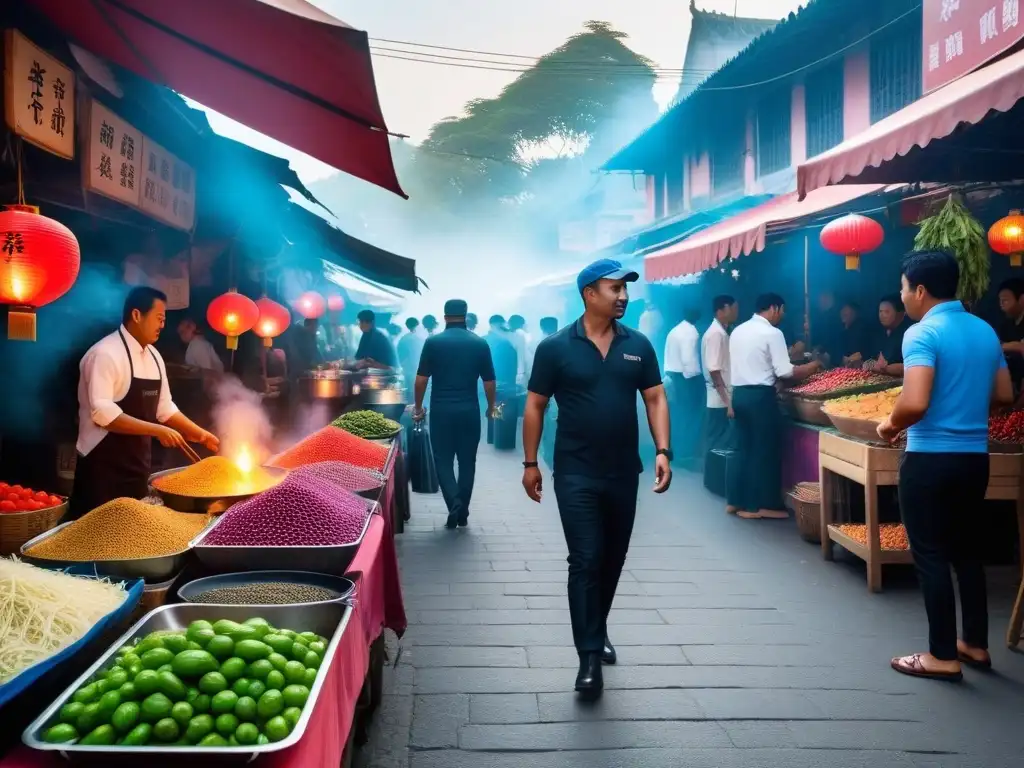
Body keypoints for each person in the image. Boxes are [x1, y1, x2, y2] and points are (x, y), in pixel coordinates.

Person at [522, 258, 671, 699]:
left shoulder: (639, 345)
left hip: (625, 469)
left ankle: (598, 626)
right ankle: (588, 657)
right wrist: (530, 463)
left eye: (625, 289)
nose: (623, 296)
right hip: (574, 470)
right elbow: (535, 406)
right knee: (586, 558)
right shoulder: (554, 347)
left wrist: (663, 450)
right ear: (589, 293)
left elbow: (656, 398)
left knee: (612, 558)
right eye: (614, 288)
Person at [878, 250, 1013, 682]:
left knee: (931, 555)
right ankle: (974, 644)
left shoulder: (922, 333)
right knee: (966, 552)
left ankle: (941, 654)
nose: (901, 297)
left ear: (920, 290)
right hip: (975, 458)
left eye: (902, 289)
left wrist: (889, 424)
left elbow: (914, 402)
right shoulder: (986, 331)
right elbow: (1005, 395)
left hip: (929, 460)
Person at [72, 287, 220, 519]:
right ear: (137, 315)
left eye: (164, 320)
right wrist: (157, 430)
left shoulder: (153, 356)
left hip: (137, 464)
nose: (163, 325)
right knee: (96, 536)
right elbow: (102, 414)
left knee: (130, 534)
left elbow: (164, 408)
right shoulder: (104, 354)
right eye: (159, 318)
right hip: (102, 466)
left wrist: (200, 434)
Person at [727, 293, 820, 520]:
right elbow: (785, 371)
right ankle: (759, 506)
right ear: (775, 308)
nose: (783, 316)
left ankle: (735, 501)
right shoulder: (772, 332)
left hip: (739, 395)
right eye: (783, 311)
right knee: (764, 451)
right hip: (760, 398)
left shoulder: (738, 330)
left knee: (743, 449)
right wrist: (812, 366)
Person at [412, 300, 497, 529]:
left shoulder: (433, 342)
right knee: (468, 461)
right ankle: (463, 511)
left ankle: (454, 504)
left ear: (445, 315)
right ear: (465, 315)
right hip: (469, 410)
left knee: (443, 460)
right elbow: (489, 382)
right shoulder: (480, 343)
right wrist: (491, 408)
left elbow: (421, 380)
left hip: (441, 411)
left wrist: (418, 408)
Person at [663, 307, 703, 470]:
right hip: (685, 379)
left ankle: (674, 451)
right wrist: (697, 379)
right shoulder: (691, 332)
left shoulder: (675, 330)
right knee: (688, 416)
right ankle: (685, 454)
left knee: (676, 415)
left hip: (672, 376)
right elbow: (689, 361)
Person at [702, 295, 738, 453]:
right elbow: (714, 371)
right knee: (717, 444)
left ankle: (715, 476)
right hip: (719, 400)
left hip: (721, 397)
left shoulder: (721, 332)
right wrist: (728, 403)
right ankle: (713, 477)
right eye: (733, 308)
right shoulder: (716, 334)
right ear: (722, 310)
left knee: (718, 444)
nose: (736, 312)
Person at [484, 315, 518, 449]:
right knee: (500, 407)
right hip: (502, 381)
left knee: (494, 406)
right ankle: (499, 439)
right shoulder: (505, 341)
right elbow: (511, 363)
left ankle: (492, 436)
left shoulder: (485, 339)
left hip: (491, 380)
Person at [864, 294, 911, 377]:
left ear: (901, 314)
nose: (882, 315)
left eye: (886, 312)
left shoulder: (910, 334)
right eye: (880, 311)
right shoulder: (881, 332)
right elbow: (874, 358)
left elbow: (912, 367)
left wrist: (885, 368)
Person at [996, 278, 1024, 394]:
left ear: (1022, 299)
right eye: (1000, 301)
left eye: (1006, 300)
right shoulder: (1005, 326)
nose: (1001, 305)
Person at [839, 301, 869, 367]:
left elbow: (859, 354)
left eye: (846, 310)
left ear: (855, 312)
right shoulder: (842, 330)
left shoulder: (862, 329)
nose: (843, 312)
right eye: (842, 309)